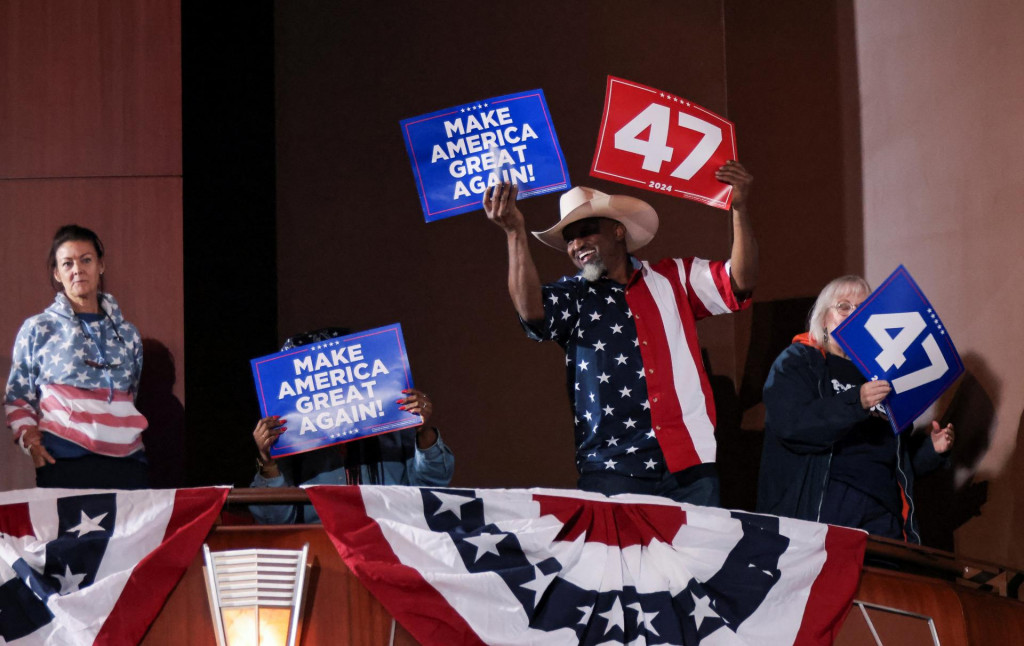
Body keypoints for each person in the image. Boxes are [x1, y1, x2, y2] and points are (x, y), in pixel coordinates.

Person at [484, 162, 757, 505]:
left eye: (586, 230)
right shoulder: (575, 295)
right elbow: (531, 310)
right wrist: (514, 233)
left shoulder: (673, 277)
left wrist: (740, 209)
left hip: (688, 462)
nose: (576, 244)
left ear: (618, 231)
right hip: (611, 468)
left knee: (699, 560)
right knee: (620, 562)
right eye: (569, 238)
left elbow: (739, 282)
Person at [757, 275, 954, 542]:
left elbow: (894, 459)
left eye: (862, 310)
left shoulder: (883, 374)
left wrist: (931, 450)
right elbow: (792, 424)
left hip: (884, 510)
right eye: (844, 307)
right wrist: (855, 401)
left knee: (884, 582)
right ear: (823, 318)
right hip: (826, 502)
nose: (853, 315)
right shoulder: (799, 361)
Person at [249, 328, 454, 524]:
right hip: (323, 546)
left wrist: (422, 429)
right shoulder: (292, 442)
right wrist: (267, 460)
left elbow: (433, 485)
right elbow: (276, 518)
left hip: (390, 540)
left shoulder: (391, 423)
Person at [5, 225, 148, 489]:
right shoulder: (38, 328)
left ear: (101, 266)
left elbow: (132, 393)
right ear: (57, 273)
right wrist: (32, 443)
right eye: (67, 263)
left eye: (86, 260)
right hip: (65, 462)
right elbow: (18, 398)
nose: (78, 269)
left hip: (129, 464)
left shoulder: (128, 334)